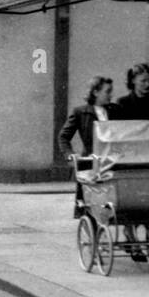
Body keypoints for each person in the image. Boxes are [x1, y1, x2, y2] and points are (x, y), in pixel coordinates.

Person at [58, 76, 119, 217]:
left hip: (112, 162)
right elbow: (63, 136)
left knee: (113, 202)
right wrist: (69, 154)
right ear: (96, 92)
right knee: (92, 204)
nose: (111, 95)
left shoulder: (116, 110)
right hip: (91, 163)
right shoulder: (80, 112)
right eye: (107, 91)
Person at [115, 63, 149, 135]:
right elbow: (121, 131)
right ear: (133, 80)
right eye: (143, 81)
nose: (148, 84)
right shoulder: (123, 103)